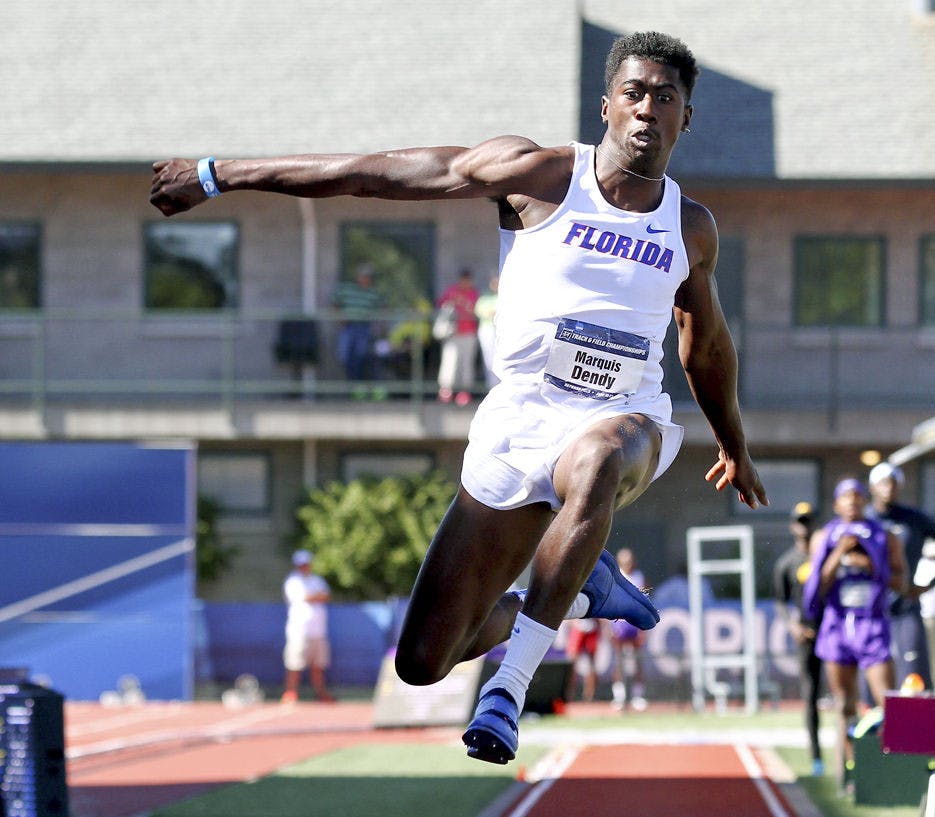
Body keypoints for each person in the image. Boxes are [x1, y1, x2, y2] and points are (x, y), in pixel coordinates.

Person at [150, 30, 767, 764]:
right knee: (423, 659)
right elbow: (371, 175)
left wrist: (732, 441)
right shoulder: (537, 175)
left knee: (600, 457)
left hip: (626, 421)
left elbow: (707, 347)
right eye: (633, 94)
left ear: (684, 118)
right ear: (606, 107)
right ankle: (571, 589)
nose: (647, 111)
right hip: (521, 422)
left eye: (665, 98)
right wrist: (219, 174)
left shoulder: (689, 226)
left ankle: (507, 692)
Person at [803, 479, 906, 794]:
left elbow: (900, 580)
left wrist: (873, 566)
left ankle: (891, 775)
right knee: (844, 703)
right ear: (836, 504)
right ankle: (849, 774)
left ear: (866, 501)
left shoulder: (884, 535)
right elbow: (816, 586)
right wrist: (839, 555)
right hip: (837, 627)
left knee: (886, 701)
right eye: (846, 497)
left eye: (858, 497)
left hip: (872, 625)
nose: (852, 502)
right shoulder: (824, 536)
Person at [866, 461, 935, 687]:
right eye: (883, 483)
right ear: (872, 487)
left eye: (893, 483)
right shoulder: (864, 520)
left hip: (906, 604)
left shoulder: (913, 518)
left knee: (914, 674)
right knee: (872, 675)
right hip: (871, 608)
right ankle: (872, 721)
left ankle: (915, 721)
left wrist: (928, 584)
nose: (889, 488)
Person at [772, 501, 824, 776]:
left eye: (809, 521)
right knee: (811, 695)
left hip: (832, 631)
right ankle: (817, 758)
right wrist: (793, 625)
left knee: (843, 696)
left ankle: (850, 755)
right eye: (800, 521)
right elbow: (781, 602)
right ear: (793, 526)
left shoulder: (825, 557)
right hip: (807, 635)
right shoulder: (787, 563)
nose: (804, 527)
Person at [281, 549, 334, 703]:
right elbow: (305, 597)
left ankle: (321, 693)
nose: (304, 566)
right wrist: (315, 596)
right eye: (301, 564)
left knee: (318, 666)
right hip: (299, 631)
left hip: (318, 631)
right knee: (295, 664)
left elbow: (325, 596)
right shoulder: (292, 581)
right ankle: (290, 693)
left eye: (306, 564)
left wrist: (313, 596)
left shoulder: (317, 580)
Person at [608, 547, 650, 711]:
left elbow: (646, 602)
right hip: (619, 623)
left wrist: (643, 628)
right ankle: (619, 696)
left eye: (630, 560)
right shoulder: (615, 578)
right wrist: (609, 625)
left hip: (636, 622)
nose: (628, 563)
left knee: (638, 660)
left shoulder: (640, 577)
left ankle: (638, 695)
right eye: (625, 560)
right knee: (619, 660)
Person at [332, 265, 383, 386]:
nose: (365, 279)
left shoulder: (373, 293)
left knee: (361, 354)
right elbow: (335, 302)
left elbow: (383, 309)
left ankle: (357, 384)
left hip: (364, 326)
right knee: (344, 355)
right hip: (348, 326)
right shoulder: (347, 289)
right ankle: (352, 383)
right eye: (363, 276)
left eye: (367, 277)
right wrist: (340, 317)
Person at [436, 269, 480, 406]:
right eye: (463, 279)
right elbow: (440, 304)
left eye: (468, 280)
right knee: (449, 363)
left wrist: (462, 302)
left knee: (466, 364)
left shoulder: (474, 293)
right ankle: (446, 391)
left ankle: (464, 392)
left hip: (468, 333)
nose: (465, 282)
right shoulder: (451, 290)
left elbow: (475, 311)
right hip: (453, 334)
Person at [564, 618, 602, 703]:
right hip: (579, 624)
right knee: (571, 664)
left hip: (591, 624)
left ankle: (589, 696)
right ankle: (568, 695)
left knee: (591, 665)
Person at [475, 275, 501, 390]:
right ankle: (491, 387)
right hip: (488, 330)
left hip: (502, 330)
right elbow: (479, 311)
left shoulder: (506, 296)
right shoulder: (485, 297)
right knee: (489, 359)